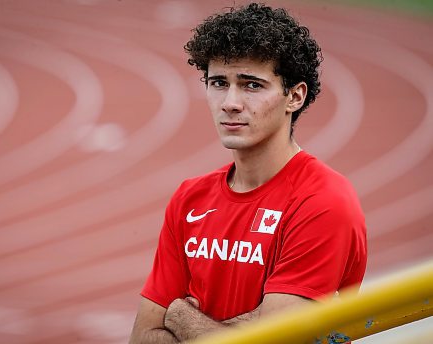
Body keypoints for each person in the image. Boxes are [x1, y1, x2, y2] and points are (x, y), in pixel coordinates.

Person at [129, 3, 367, 343]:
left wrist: (179, 314)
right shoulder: (189, 198)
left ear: (294, 97)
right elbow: (143, 336)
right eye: (218, 83)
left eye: (251, 85)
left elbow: (274, 341)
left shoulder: (323, 201)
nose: (230, 102)